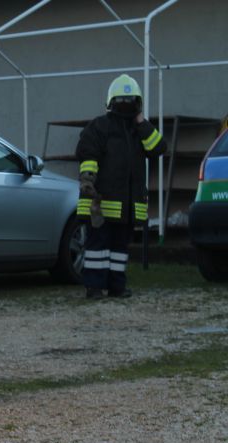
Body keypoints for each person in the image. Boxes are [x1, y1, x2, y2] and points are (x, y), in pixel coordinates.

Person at [76, 74, 167, 300]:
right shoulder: (99, 126)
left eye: (130, 101)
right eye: (122, 101)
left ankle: (117, 287)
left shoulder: (139, 131)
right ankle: (94, 288)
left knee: (119, 249)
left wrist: (142, 122)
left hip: (127, 206)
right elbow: (87, 153)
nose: (126, 105)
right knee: (97, 247)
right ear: (112, 103)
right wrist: (88, 181)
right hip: (101, 202)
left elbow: (158, 148)